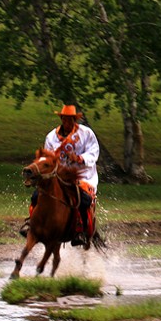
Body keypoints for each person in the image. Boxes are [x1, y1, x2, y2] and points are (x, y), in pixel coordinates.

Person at [19, 104, 100, 246]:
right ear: (61, 118)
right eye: (65, 119)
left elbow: (94, 152)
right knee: (36, 196)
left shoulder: (86, 133)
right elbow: (47, 159)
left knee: (84, 199)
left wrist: (79, 158)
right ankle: (32, 223)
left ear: (75, 120)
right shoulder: (51, 137)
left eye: (71, 120)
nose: (68, 122)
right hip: (59, 176)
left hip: (83, 176)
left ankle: (80, 230)